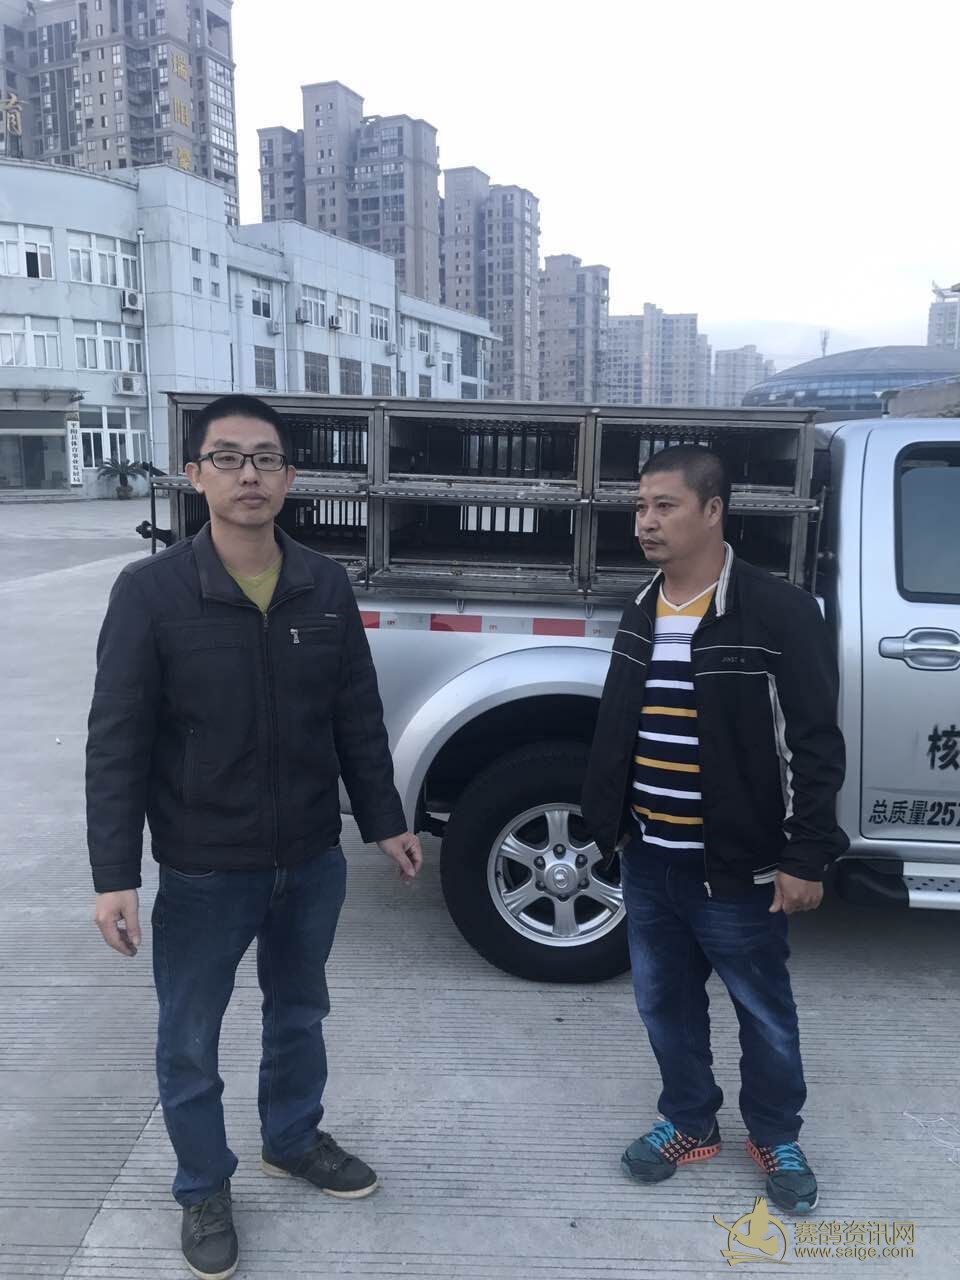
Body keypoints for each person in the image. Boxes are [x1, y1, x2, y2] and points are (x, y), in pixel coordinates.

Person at [86, 394, 422, 1280]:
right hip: (205, 868)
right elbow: (117, 741)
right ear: (194, 475)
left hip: (310, 858)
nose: (249, 475)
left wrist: (385, 821)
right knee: (190, 1037)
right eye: (228, 458)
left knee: (300, 1012)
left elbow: (356, 716)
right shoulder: (151, 594)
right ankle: (203, 1185)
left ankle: (292, 1138)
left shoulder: (323, 584)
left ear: (290, 477)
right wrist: (114, 874)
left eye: (266, 459)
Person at [581, 444, 847, 1216]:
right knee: (664, 1005)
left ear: (713, 511)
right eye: (640, 507)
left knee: (763, 1012)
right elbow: (619, 727)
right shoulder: (641, 608)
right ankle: (690, 1122)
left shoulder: (777, 611)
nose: (645, 521)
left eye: (664, 506)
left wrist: (806, 855)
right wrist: (609, 826)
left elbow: (814, 744)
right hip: (649, 858)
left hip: (736, 868)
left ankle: (775, 1135)